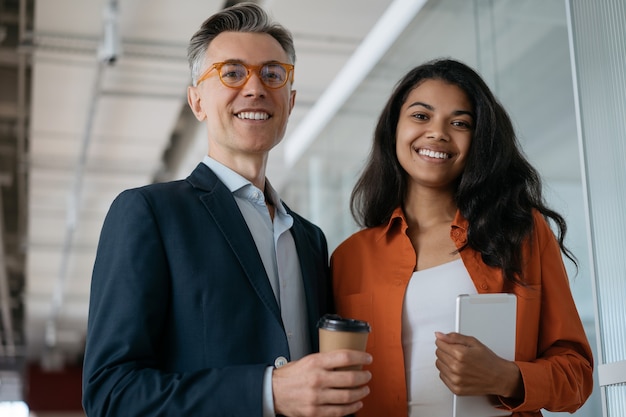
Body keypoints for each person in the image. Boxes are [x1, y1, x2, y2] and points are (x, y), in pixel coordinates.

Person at [82, 3, 371, 416]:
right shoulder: (149, 213)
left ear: (289, 103)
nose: (254, 88)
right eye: (232, 73)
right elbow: (111, 395)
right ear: (197, 101)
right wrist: (267, 391)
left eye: (272, 74)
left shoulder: (309, 239)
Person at [330, 58, 594, 416]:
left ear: (478, 140)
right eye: (421, 116)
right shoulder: (349, 257)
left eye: (459, 123)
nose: (438, 132)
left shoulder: (521, 234)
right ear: (394, 128)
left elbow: (577, 375)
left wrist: (507, 377)